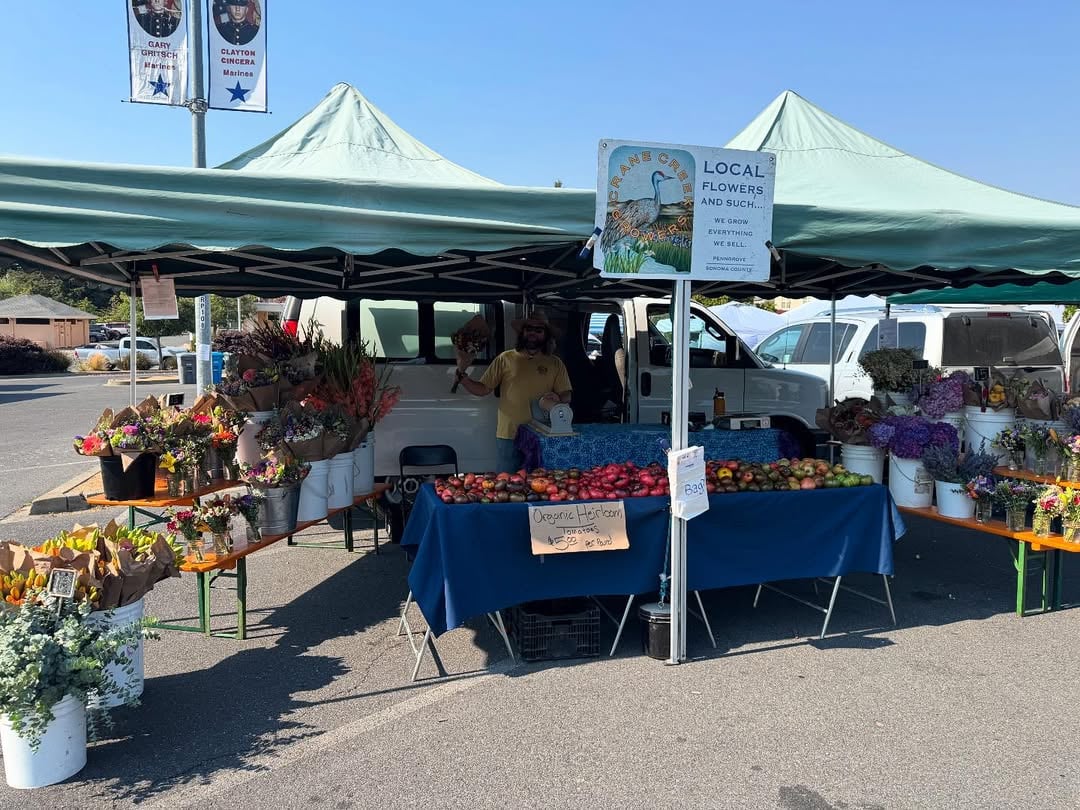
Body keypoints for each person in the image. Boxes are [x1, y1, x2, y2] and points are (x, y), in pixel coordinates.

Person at [456, 311, 572, 474]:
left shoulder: (555, 363)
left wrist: (558, 398)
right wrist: (463, 378)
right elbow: (483, 389)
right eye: (529, 328)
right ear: (522, 332)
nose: (533, 333)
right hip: (509, 434)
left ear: (545, 335)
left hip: (541, 435)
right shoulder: (505, 358)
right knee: (506, 482)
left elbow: (567, 395)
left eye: (539, 330)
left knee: (540, 484)